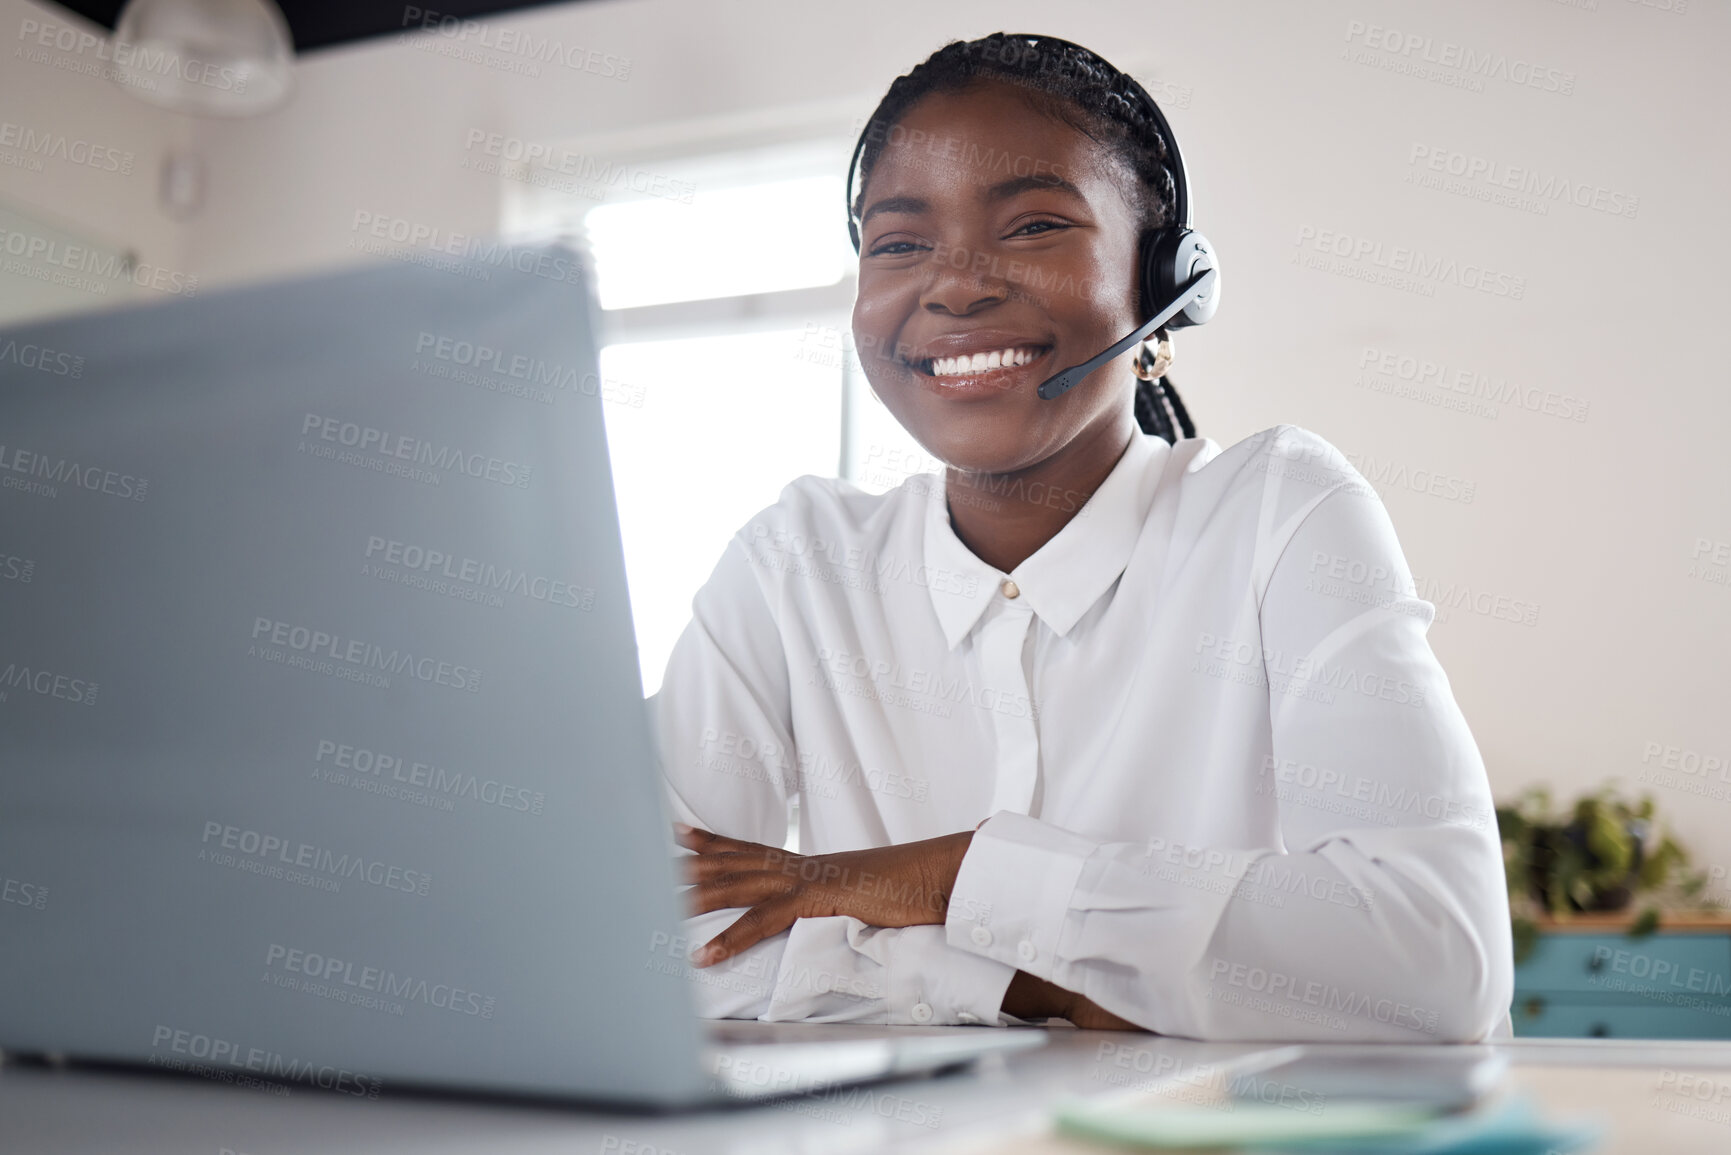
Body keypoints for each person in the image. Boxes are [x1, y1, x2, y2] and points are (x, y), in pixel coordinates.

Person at [647, 32, 1512, 1040]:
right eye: (898, 243)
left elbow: (1433, 962)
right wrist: (1023, 984)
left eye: (1031, 227)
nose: (956, 284)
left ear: (1159, 284)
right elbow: (631, 938)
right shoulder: (795, 564)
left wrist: (951, 874)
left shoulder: (1281, 513)